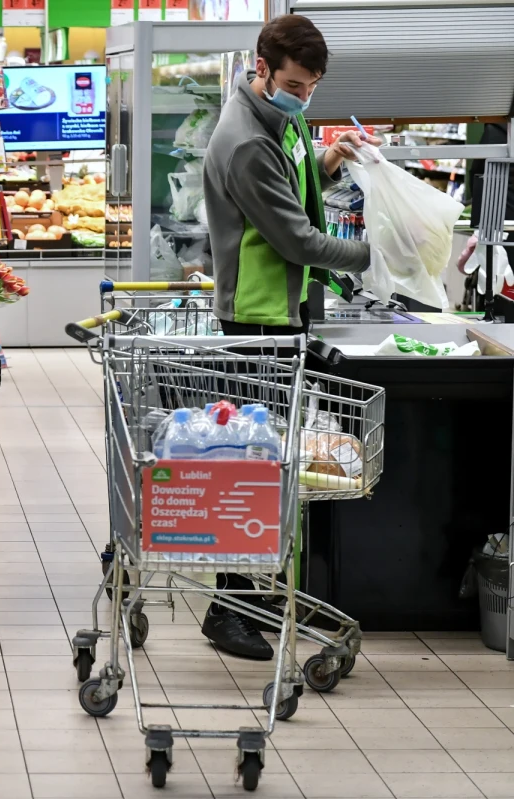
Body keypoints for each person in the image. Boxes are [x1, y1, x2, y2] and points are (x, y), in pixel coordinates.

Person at [201, 14, 379, 659]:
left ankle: (259, 590)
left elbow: (299, 193)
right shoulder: (246, 139)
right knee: (249, 461)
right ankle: (228, 605)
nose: (304, 97)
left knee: (275, 461)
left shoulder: (285, 120)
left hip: (285, 308)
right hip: (256, 315)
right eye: (295, 84)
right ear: (263, 67)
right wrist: (376, 255)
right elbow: (296, 239)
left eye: (312, 87)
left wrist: (329, 163)